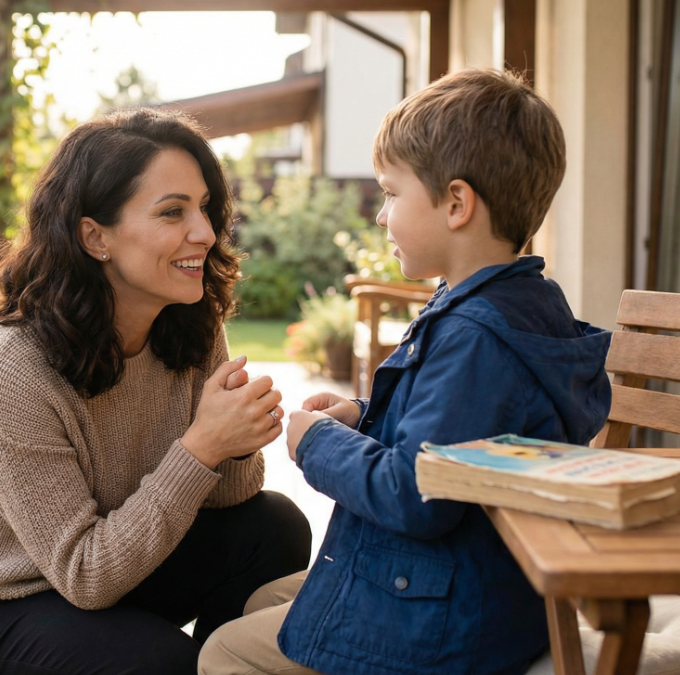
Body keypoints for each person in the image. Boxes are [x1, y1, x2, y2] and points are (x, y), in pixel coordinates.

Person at [198, 68, 613, 675]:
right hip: (483, 591)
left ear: (456, 203)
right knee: (264, 600)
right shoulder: (508, 307)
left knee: (225, 654)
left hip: (451, 622)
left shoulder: (476, 338)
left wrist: (318, 443)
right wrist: (364, 419)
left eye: (391, 193)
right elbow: (457, 443)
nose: (380, 215)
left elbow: (417, 494)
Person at [0, 109, 312, 675]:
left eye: (204, 208)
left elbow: (231, 498)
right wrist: (203, 446)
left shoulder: (190, 324)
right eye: (173, 212)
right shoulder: (16, 366)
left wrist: (234, 438)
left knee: (274, 527)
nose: (204, 232)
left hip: (118, 565)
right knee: (161, 664)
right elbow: (84, 574)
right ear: (94, 236)